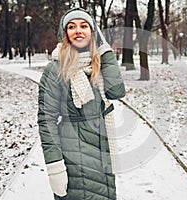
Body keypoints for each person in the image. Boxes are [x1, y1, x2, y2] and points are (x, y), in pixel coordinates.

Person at [37, 8, 126, 200]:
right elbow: (46, 120)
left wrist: (104, 50)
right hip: (73, 155)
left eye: (84, 26)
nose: (78, 30)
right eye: (72, 26)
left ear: (93, 33)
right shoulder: (55, 69)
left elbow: (116, 91)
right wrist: (55, 165)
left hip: (102, 149)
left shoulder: (99, 65)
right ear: (65, 34)